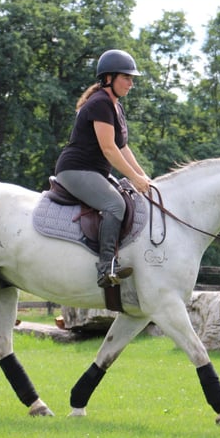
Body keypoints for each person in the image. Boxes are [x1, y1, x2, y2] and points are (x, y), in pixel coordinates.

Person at [54, 49, 152, 288]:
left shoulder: (115, 106)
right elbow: (109, 149)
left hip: (95, 172)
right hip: (75, 170)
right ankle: (106, 267)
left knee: (127, 198)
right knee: (114, 204)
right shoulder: (100, 104)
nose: (131, 83)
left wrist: (142, 176)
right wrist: (133, 177)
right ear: (109, 78)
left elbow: (123, 147)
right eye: (126, 77)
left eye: (132, 79)